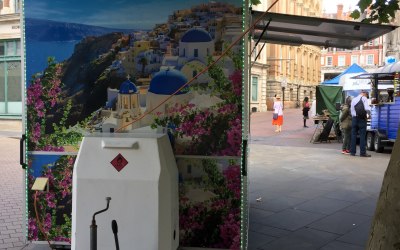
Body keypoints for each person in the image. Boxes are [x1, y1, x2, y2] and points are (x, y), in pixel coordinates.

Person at [350, 90, 371, 157]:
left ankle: (352, 152)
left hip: (354, 119)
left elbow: (352, 110)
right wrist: (370, 114)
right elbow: (367, 108)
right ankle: (362, 153)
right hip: (361, 119)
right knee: (362, 136)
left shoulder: (354, 99)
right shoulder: (364, 98)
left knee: (353, 135)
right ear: (365, 94)